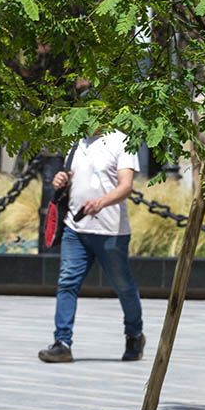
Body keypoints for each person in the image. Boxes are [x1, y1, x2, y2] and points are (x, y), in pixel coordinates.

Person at [37, 129, 146, 363]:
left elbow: (126, 186)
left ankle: (134, 334)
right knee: (67, 282)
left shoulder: (122, 140)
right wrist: (60, 180)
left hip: (110, 231)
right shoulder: (77, 142)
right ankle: (62, 343)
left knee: (123, 286)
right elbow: (70, 178)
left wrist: (101, 203)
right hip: (76, 228)